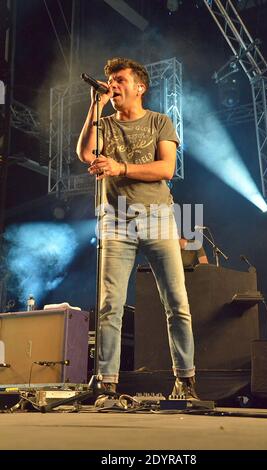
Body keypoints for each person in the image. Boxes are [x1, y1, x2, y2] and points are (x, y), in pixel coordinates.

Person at [76, 57, 199, 401]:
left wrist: (120, 167)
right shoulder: (105, 124)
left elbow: (166, 168)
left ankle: (186, 380)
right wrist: (95, 107)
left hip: (158, 219)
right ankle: (106, 383)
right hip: (115, 221)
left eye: (119, 80)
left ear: (140, 87)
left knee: (176, 302)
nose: (113, 85)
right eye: (110, 81)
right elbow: (85, 153)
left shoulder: (160, 121)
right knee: (110, 305)